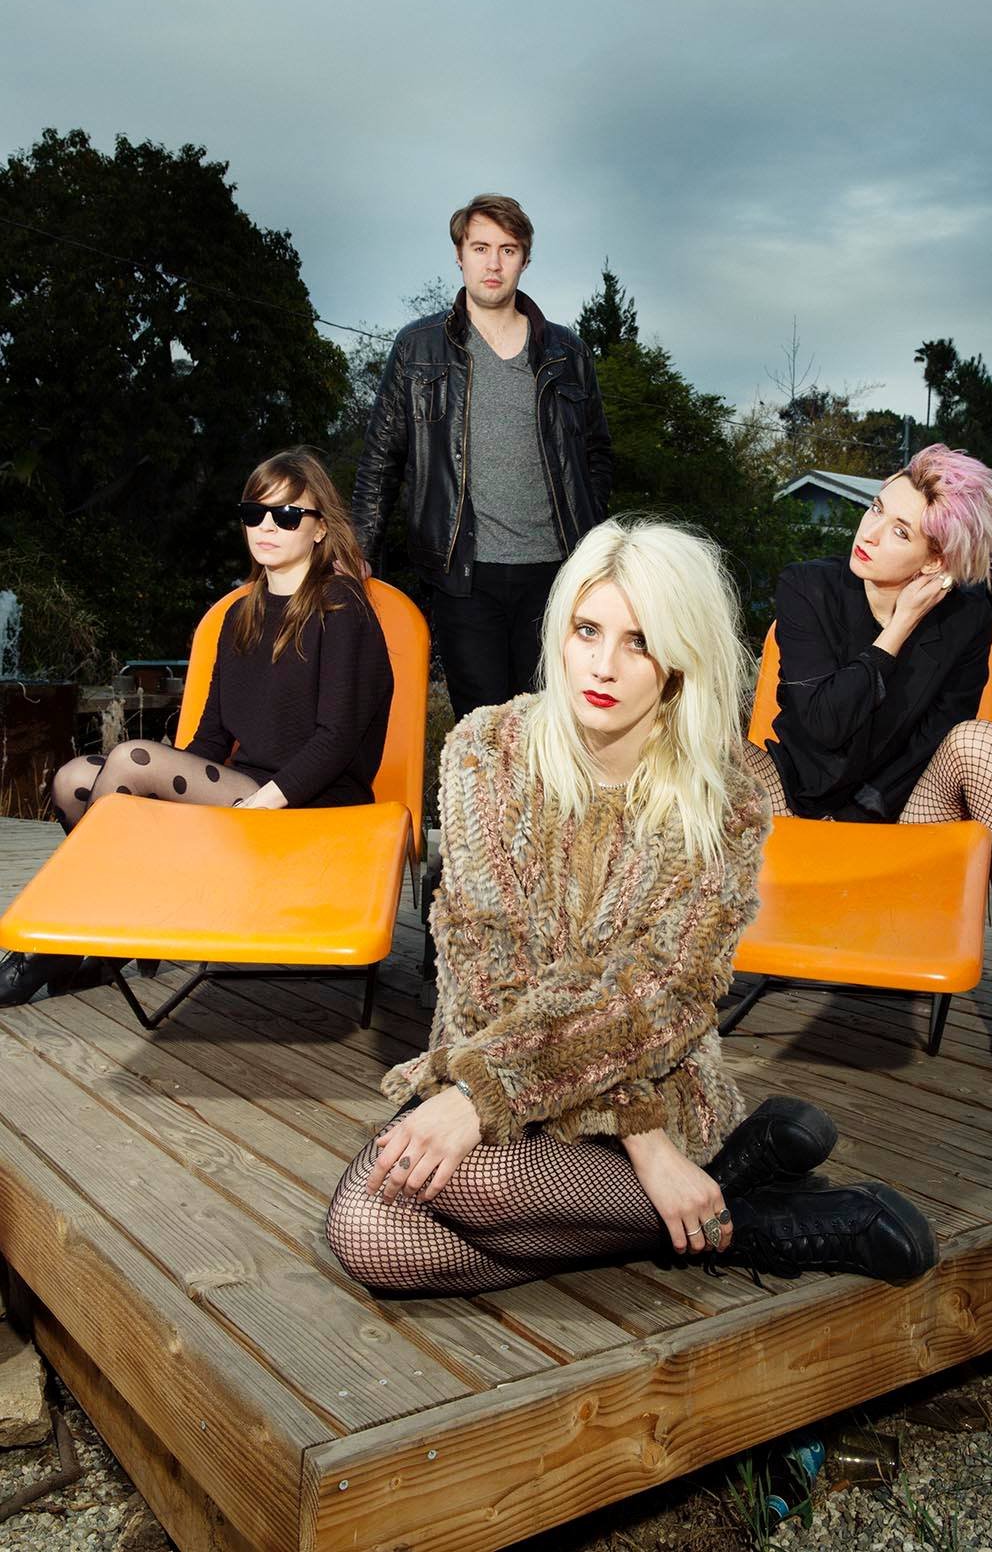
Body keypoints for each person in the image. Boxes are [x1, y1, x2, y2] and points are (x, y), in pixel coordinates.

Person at [325, 519, 937, 1295]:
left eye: (640, 642)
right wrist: (483, 1092)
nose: (603, 666)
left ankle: (704, 1195)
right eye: (587, 630)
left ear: (679, 661)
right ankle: (744, 1216)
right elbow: (486, 967)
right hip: (496, 1045)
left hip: (649, 1079)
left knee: (467, 1187)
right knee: (366, 1234)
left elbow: (662, 994)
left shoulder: (722, 797)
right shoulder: (486, 750)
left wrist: (641, 1138)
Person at [0, 448, 394, 1007]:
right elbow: (210, 737)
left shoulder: (341, 607)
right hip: (244, 788)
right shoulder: (240, 615)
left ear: (320, 528)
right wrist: (168, 802)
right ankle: (110, 938)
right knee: (72, 779)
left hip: (314, 803)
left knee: (133, 759)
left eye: (287, 515)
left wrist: (263, 802)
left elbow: (338, 737)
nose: (266, 527)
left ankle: (52, 948)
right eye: (254, 513)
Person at [746, 444, 992, 1076]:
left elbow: (932, 741)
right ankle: (678, 949)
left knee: (980, 741)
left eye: (900, 531)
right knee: (708, 745)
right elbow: (821, 723)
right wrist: (892, 636)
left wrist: (865, 823)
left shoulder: (967, 620)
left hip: (899, 816)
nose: (869, 533)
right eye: (876, 510)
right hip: (792, 803)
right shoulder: (807, 587)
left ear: (935, 560)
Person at [351, 194, 613, 721]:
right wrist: (359, 551)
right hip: (462, 574)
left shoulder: (567, 352)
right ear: (459, 255)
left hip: (556, 574)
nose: (493, 263)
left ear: (525, 259)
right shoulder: (418, 347)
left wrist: (594, 549)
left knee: (552, 725)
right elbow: (381, 459)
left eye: (507, 250)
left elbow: (596, 456)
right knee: (481, 727)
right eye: (480, 248)